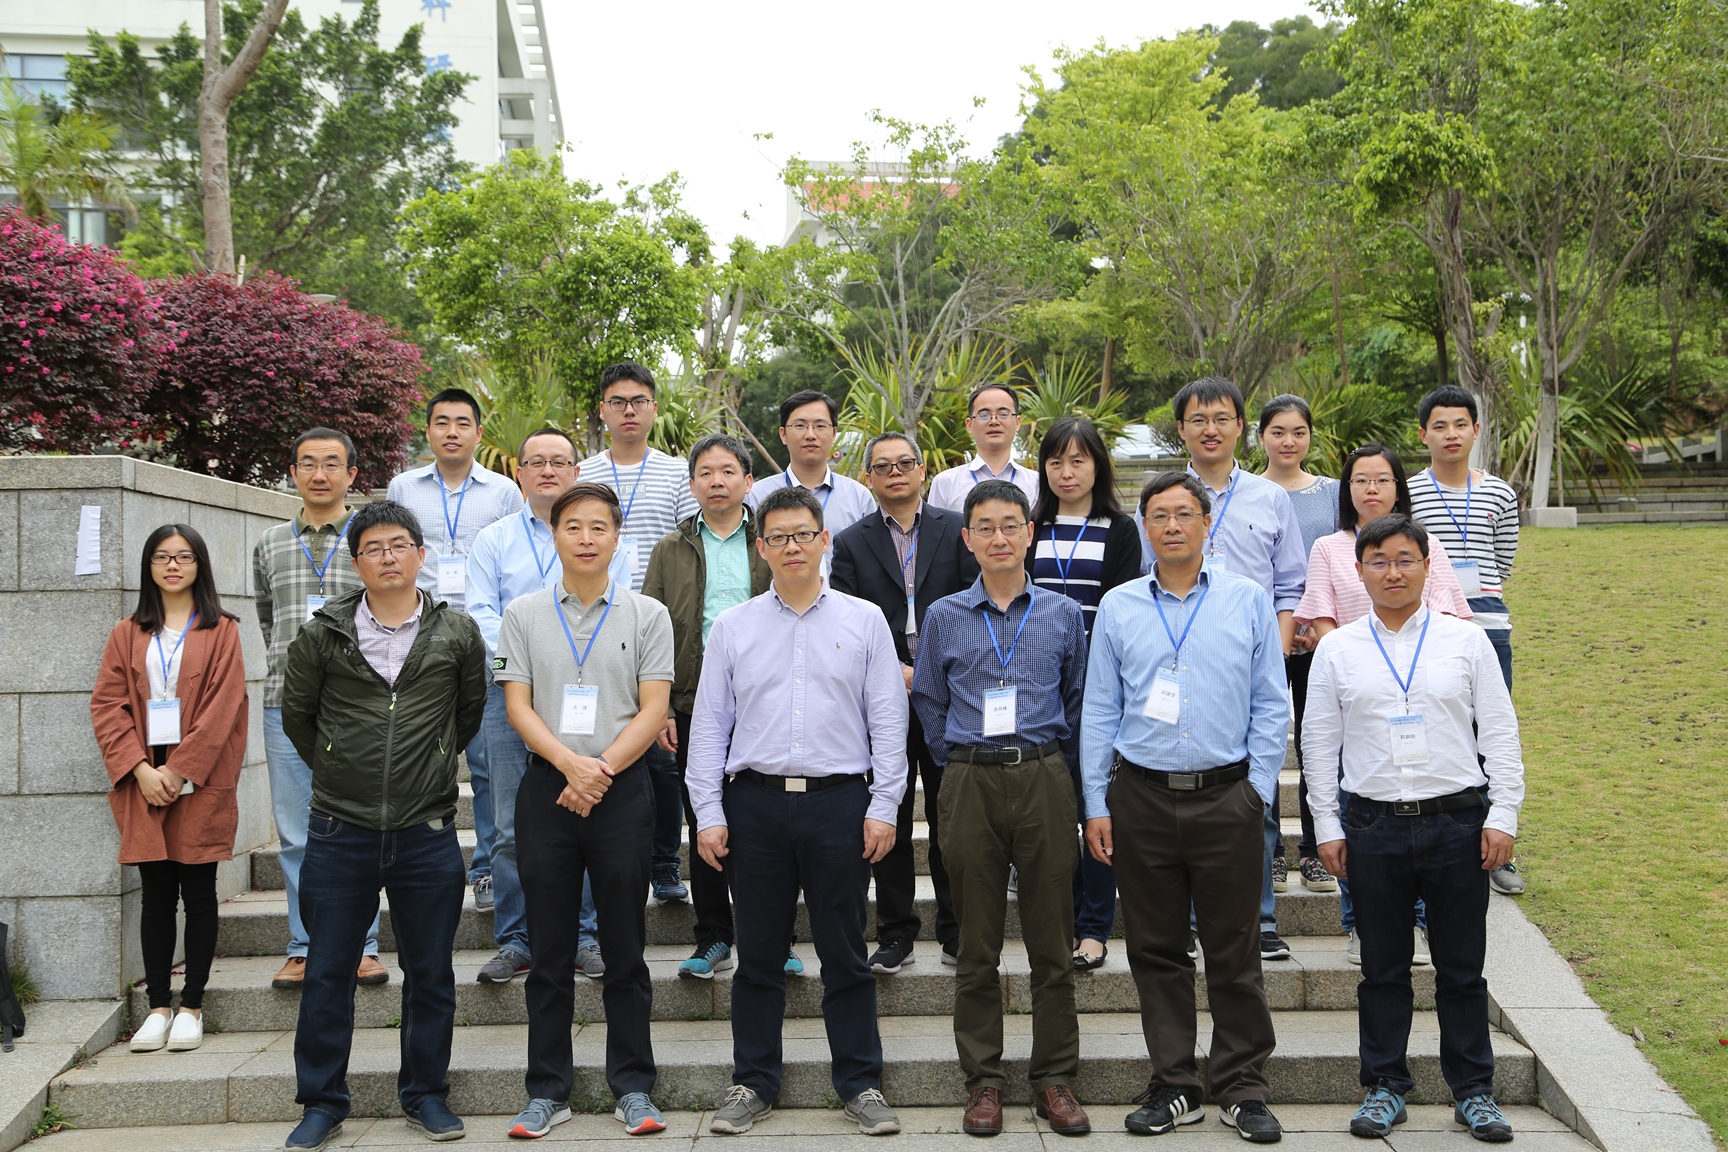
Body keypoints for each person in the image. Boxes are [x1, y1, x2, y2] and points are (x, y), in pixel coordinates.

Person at [686, 486, 909, 1137]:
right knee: (758, 954)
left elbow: (887, 720)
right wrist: (708, 811)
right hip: (753, 805)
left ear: (824, 541)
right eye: (778, 537)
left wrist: (885, 804)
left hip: (840, 803)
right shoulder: (733, 626)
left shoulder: (865, 620)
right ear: (761, 547)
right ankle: (753, 1082)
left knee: (845, 952)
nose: (792, 547)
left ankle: (861, 1083)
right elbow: (710, 726)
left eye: (803, 534)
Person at [1302, 513, 1525, 1144]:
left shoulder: (1467, 641)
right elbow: (1318, 743)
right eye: (1379, 561)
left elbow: (1500, 732)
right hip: (1373, 824)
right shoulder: (1339, 649)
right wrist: (1326, 825)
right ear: (1359, 571)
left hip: (1458, 822)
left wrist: (1503, 813)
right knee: (1382, 968)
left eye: (1405, 560)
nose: (1393, 572)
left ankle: (1474, 1092)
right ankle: (1384, 1086)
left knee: (1462, 968)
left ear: (1428, 567)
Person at [1080, 471, 1289, 1144]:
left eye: (1183, 514)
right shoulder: (1118, 606)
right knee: (1155, 949)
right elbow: (1100, 709)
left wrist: (1257, 789)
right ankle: (1174, 1084)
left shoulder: (1246, 599)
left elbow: (1271, 701)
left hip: (1227, 796)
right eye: (1159, 516)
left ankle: (1243, 1087)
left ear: (1206, 524)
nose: (1171, 526)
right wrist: (1096, 802)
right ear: (1145, 528)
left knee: (1235, 949)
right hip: (1140, 797)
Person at [280, 501, 488, 1150]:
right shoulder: (322, 634)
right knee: (327, 971)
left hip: (426, 830)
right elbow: (298, 718)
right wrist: (339, 766)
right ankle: (321, 1102)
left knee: (431, 973)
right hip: (339, 830)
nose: (388, 557)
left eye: (399, 545)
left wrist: (431, 761)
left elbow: (468, 714)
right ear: (356, 562)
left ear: (421, 556)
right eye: (373, 548)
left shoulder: (457, 633)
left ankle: (425, 1095)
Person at [494, 482, 676, 1140]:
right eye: (573, 526)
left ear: (617, 537)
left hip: (621, 791)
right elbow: (517, 705)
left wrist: (597, 771)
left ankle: (633, 1086)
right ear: (555, 535)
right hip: (548, 789)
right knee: (548, 952)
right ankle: (547, 1091)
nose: (587, 537)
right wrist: (569, 766)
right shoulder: (522, 614)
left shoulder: (647, 614)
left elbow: (654, 708)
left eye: (599, 526)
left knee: (625, 948)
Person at [912, 479, 1091, 1139]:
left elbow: (1078, 699)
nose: (998, 538)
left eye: (1010, 525)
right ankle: (983, 1082)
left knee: (1052, 943)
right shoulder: (944, 615)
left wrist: (1057, 769)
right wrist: (959, 759)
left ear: (1029, 533)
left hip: (1043, 776)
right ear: (967, 538)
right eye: (984, 527)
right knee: (977, 945)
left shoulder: (1063, 614)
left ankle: (1054, 1079)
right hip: (970, 781)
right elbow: (928, 699)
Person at [1295, 444, 1474, 963]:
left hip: (1419, 697)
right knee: (1356, 807)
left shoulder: (1426, 545)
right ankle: (1359, 922)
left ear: (1399, 487)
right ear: (1346, 490)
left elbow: (1447, 615)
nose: (1371, 489)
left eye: (1382, 479)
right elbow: (1322, 618)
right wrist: (1358, 659)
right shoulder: (1329, 548)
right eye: (1360, 480)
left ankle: (1420, 922)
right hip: (1356, 693)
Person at [92, 525, 248, 1055]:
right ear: (149, 567)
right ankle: (158, 1006)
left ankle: (192, 1005)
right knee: (156, 895)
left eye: (184, 556)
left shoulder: (222, 630)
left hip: (198, 779)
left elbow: (224, 707)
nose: (173, 565)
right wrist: (140, 769)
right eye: (162, 557)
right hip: (144, 779)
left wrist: (179, 770)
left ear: (200, 564)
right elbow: (107, 704)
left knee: (199, 893)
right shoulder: (127, 632)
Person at [831, 431, 978, 974]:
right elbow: (843, 618)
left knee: (949, 816)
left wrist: (931, 670)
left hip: (948, 696)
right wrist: (892, 669)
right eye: (883, 465)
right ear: (868, 477)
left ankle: (955, 929)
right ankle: (896, 932)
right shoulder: (850, 541)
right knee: (887, 812)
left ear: (922, 471)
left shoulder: (955, 529)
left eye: (905, 463)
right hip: (880, 697)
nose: (895, 472)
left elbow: (972, 605)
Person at [1172, 376, 1305, 962]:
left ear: (1240, 427)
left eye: (1221, 419)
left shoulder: (1270, 498)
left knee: (1259, 797)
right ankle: (1191, 921)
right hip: (1182, 662)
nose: (1211, 430)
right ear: (1181, 429)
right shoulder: (1166, 498)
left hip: (1252, 665)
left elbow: (1290, 585)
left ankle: (1260, 920)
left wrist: (1275, 656)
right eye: (1199, 420)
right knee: (1186, 800)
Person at [464, 428, 603, 984]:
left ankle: (583, 936)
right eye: (536, 462)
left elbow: (612, 606)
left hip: (582, 695)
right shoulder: (493, 540)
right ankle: (516, 938)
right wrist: (525, 663)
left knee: (584, 813)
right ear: (518, 473)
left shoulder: (600, 538)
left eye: (560, 462)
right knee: (507, 825)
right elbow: (479, 611)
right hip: (507, 695)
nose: (548, 470)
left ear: (576, 471)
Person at [251, 428, 381, 990]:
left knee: (362, 825)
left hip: (359, 705)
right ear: (293, 473)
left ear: (351, 474)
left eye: (332, 463)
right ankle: (304, 946)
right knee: (297, 833)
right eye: (308, 463)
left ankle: (363, 946)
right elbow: (268, 619)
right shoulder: (270, 543)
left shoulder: (371, 538)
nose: (320, 474)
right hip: (286, 704)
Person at [386, 389, 524, 916]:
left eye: (462, 423)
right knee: (419, 757)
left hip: (484, 641)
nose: (451, 432)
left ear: (478, 433)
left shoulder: (504, 492)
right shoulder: (404, 487)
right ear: (427, 431)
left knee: (487, 764)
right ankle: (418, 865)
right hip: (421, 637)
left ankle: (485, 867)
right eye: (441, 422)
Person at [640, 434, 772, 980]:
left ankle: (774, 937)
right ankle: (714, 935)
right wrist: (662, 706)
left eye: (727, 471)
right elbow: (650, 629)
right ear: (692, 484)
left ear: (747, 480)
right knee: (704, 818)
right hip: (694, 701)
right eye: (705, 473)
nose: (717, 482)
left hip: (767, 702)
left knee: (766, 822)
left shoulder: (770, 539)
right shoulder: (671, 548)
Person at [577, 362, 700, 910]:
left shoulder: (677, 474)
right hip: (590, 625)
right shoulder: (583, 472)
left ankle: (665, 862)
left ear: (653, 408)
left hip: (655, 625)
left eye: (639, 401)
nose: (629, 410)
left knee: (662, 755)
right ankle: (606, 862)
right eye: (618, 401)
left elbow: (686, 546)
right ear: (603, 410)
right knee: (598, 739)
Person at [1027, 417, 1142, 974]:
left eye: (1078, 460)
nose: (1067, 472)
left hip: (1099, 688)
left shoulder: (1119, 529)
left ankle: (1095, 926)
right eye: (1056, 462)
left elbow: (1120, 612)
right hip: (1038, 687)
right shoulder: (1030, 527)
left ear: (1098, 465)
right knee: (1052, 814)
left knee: (1097, 805)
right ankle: (1063, 920)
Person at [1410, 385, 1525, 896]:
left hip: (1488, 627)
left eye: (1460, 424)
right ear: (1423, 434)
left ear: (1476, 430)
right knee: (1436, 727)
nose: (1451, 434)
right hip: (1428, 628)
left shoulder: (1500, 493)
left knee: (1491, 731)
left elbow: (1503, 561)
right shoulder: (1409, 492)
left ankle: (1498, 846)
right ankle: (1440, 839)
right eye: (1440, 426)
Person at [1255, 395, 1338, 901]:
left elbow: (1342, 557)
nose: (1289, 441)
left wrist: (1317, 624)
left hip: (1322, 639)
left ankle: (1312, 849)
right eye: (1278, 431)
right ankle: (1270, 853)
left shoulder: (1331, 493)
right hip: (1262, 637)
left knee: (1315, 743)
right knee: (1264, 741)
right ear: (1260, 435)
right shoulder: (1249, 493)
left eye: (1299, 432)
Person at [745, 389, 876, 546]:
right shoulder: (756, 497)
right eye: (800, 425)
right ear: (783, 434)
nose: (810, 435)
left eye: (820, 426)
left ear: (834, 433)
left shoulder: (859, 497)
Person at [927, 384, 1041, 512]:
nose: (994, 421)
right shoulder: (945, 483)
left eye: (1003, 414)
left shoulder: (1037, 484)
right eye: (984, 415)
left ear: (1018, 422)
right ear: (969, 425)